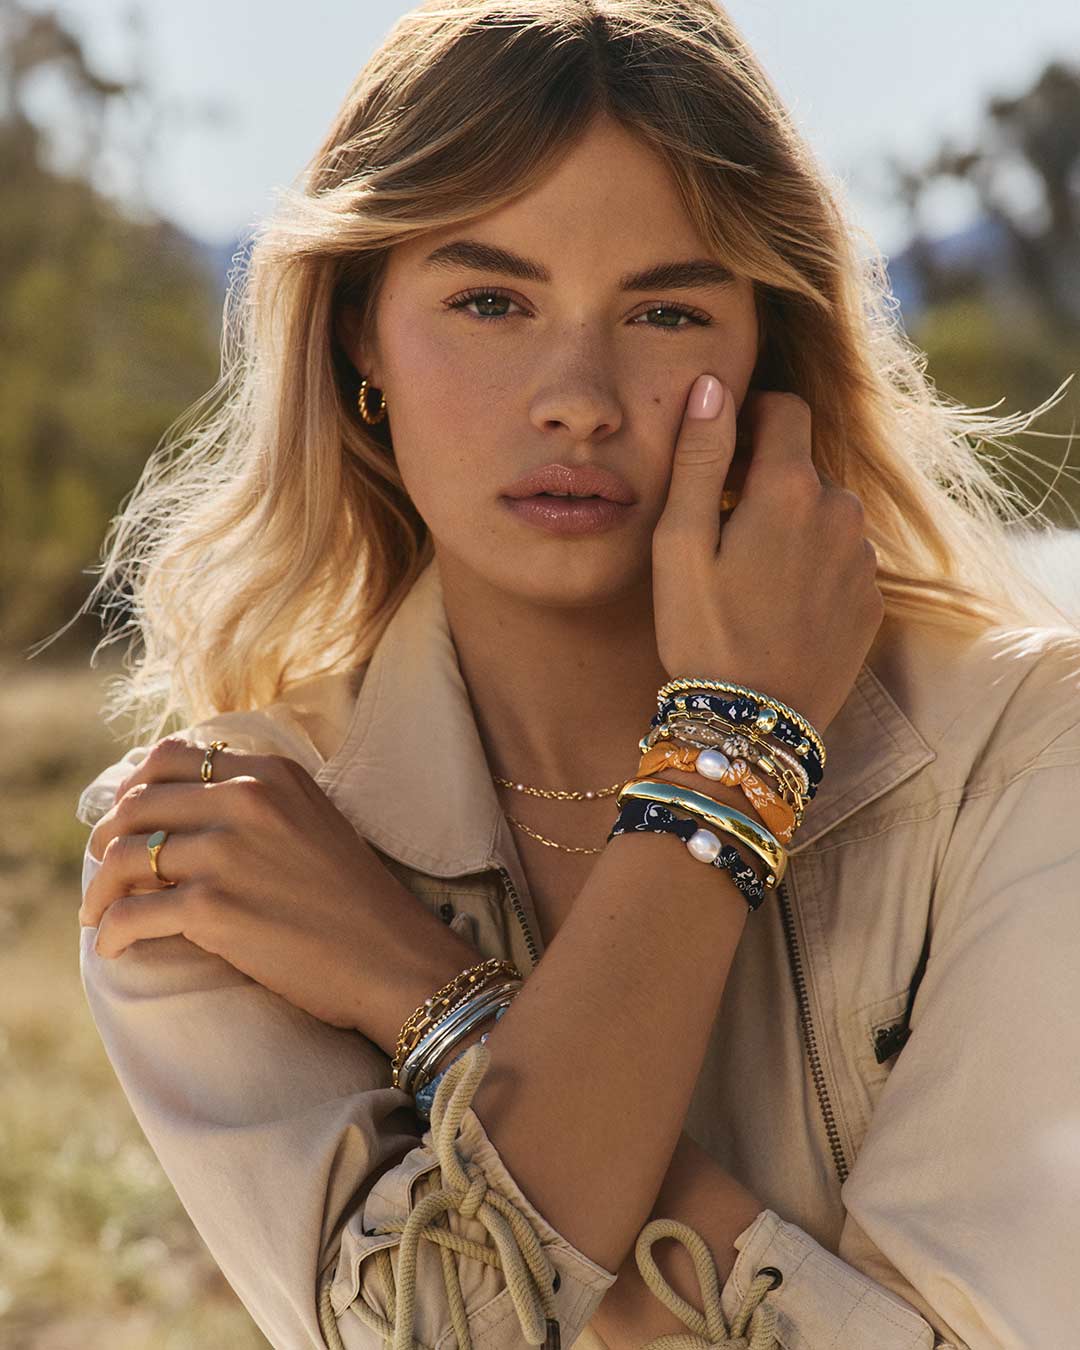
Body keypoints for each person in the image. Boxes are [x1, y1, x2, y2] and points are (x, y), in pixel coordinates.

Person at [72, 2, 1080, 1347]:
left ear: (765, 351)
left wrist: (425, 989)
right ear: (359, 332)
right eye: (490, 299)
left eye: (665, 310)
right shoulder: (221, 852)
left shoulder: (1016, 751)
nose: (579, 396)